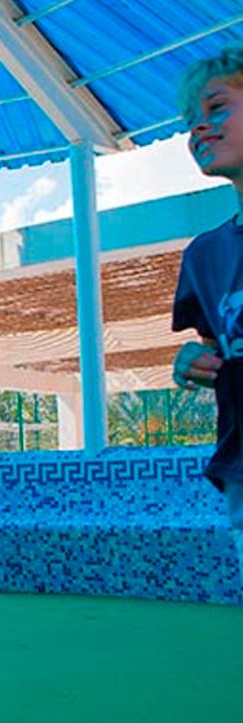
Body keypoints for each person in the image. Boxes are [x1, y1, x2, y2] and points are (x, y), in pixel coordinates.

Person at [171, 47, 243, 581]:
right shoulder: (205, 255)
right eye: (190, 120)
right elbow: (220, 344)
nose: (199, 127)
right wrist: (193, 359)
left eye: (216, 107)